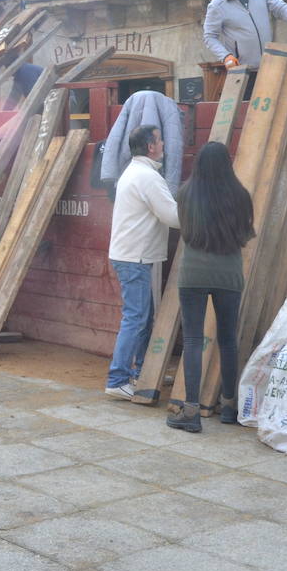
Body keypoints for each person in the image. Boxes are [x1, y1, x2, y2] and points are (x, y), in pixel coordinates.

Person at [165, 141, 256, 433]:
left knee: (193, 341)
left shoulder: (186, 194)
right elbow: (245, 234)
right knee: (228, 340)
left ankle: (191, 411)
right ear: (228, 164)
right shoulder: (241, 196)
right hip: (228, 275)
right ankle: (228, 406)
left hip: (193, 274)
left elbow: (186, 232)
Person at [104, 125, 180, 400]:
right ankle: (118, 379)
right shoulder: (147, 177)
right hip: (134, 257)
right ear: (150, 146)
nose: (163, 145)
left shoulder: (135, 172)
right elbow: (173, 217)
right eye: (159, 140)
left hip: (130, 254)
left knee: (142, 318)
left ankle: (142, 372)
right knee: (136, 318)